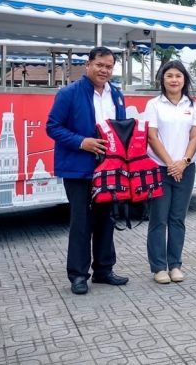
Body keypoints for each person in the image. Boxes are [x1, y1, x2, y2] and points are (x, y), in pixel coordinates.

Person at [46, 46, 130, 295]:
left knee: (106, 218)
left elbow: (121, 128)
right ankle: (78, 275)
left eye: (109, 67)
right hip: (78, 167)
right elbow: (52, 127)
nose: (104, 70)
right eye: (100, 65)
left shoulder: (116, 94)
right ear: (88, 65)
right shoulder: (69, 93)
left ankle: (104, 269)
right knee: (81, 221)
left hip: (109, 166)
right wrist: (83, 142)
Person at [144, 60, 196, 284]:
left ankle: (175, 264)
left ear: (184, 80)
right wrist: (171, 163)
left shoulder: (193, 105)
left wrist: (184, 162)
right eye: (169, 76)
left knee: (178, 219)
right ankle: (159, 267)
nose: (174, 80)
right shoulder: (154, 104)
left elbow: (195, 136)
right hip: (159, 168)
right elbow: (152, 136)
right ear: (162, 79)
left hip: (185, 169)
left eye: (178, 76)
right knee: (158, 218)